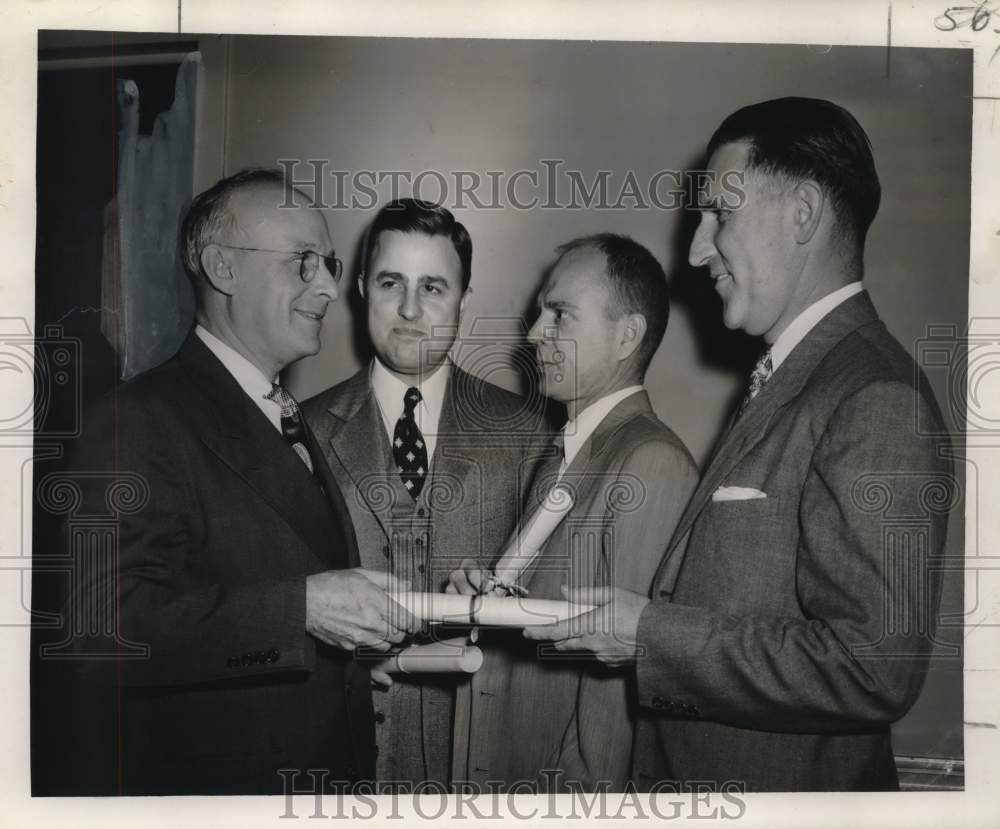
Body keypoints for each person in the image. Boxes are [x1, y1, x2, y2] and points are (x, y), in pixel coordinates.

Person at [525, 98, 953, 791]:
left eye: (720, 214)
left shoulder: (875, 397)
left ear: (803, 212)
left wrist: (650, 636)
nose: (695, 251)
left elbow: (875, 667)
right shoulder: (792, 379)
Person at [61, 168, 417, 794]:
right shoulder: (139, 418)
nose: (330, 288)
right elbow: (99, 633)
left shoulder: (280, 412)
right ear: (223, 269)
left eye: (329, 264)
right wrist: (303, 610)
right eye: (304, 262)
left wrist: (346, 658)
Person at [304, 198, 549, 787]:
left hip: (474, 760)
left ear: (464, 299)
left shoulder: (527, 433)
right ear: (361, 288)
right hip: (339, 757)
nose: (410, 309)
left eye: (434, 288)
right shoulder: (300, 430)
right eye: (392, 282)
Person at [448, 234, 698, 791]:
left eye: (560, 314)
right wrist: (489, 601)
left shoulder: (649, 461)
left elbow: (613, 701)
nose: (535, 333)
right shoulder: (565, 452)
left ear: (626, 335)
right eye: (541, 312)